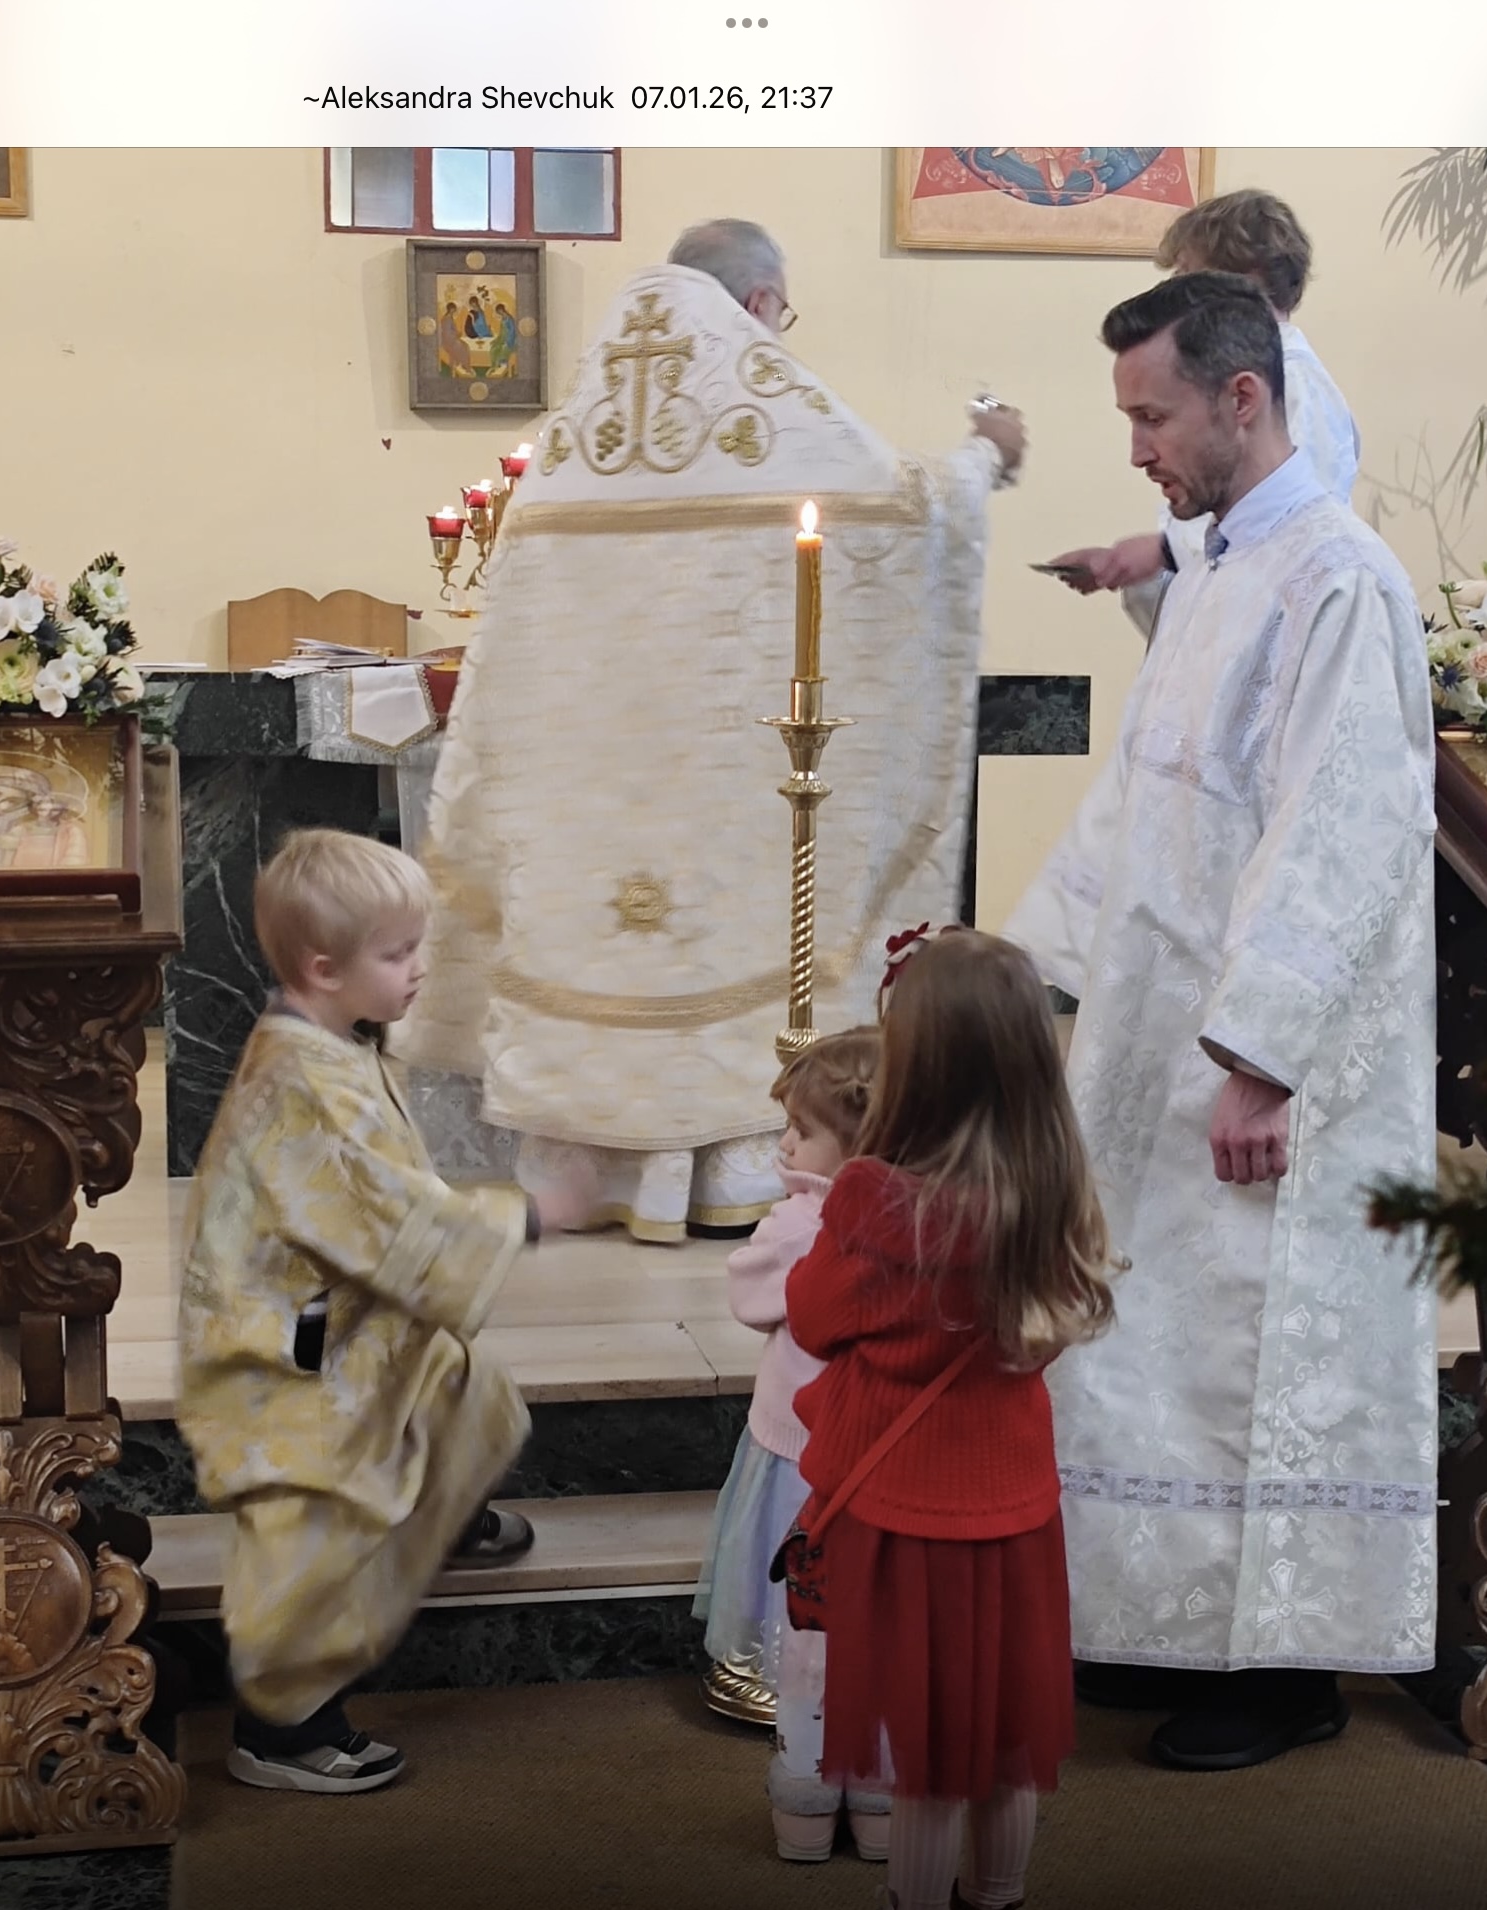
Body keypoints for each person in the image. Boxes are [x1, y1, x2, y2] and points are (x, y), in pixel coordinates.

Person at [1005, 274, 1438, 1771]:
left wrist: (1262, 1056)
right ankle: (1172, 1622)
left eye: (1153, 414)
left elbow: (1343, 829)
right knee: (1157, 1344)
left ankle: (1286, 1665)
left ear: (1241, 398)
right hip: (1157, 1033)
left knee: (1257, 1349)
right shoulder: (1217, 566)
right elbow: (1153, 794)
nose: (1136, 447)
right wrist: (1044, 972)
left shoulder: (1338, 580)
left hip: (1265, 1064)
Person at [405, 216, 1027, 1244]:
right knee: (741, 925)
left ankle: (585, 1176)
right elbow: (910, 513)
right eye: (780, 316)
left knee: (599, 930)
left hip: (589, 791)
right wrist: (983, 455)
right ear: (759, 303)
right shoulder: (773, 413)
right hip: (733, 783)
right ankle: (733, 1170)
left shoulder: (571, 445)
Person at [176, 827, 594, 1793]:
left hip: (338, 1317)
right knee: (315, 1529)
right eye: (399, 954)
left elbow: (383, 1195)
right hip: (285, 1353)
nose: (419, 970)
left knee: (461, 1388)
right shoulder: (302, 1080)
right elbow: (388, 1218)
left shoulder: (326, 1040)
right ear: (325, 969)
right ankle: (281, 1726)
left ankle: (442, 1515)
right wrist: (528, 1214)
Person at [788, 930, 1117, 1910]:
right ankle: (999, 1896)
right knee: (1008, 1751)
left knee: (930, 1765)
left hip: (906, 1519)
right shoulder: (1051, 1190)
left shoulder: (872, 1199)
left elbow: (813, 1320)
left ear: (913, 1066)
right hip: (1015, 1511)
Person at [690, 1026, 892, 1862]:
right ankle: (878, 1792)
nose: (783, 1146)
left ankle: (806, 1790)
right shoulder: (919, 1219)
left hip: (799, 1454)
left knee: (807, 1626)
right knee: (879, 1627)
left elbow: (750, 1297)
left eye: (801, 1132)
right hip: (879, 1460)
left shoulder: (802, 1221)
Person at [1044, 190, 1362, 639]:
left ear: (1242, 276)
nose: (1176, 295)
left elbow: (1294, 521)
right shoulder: (1255, 373)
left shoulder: (1295, 382)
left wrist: (1163, 551)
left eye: (1185, 275)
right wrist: (1146, 558)